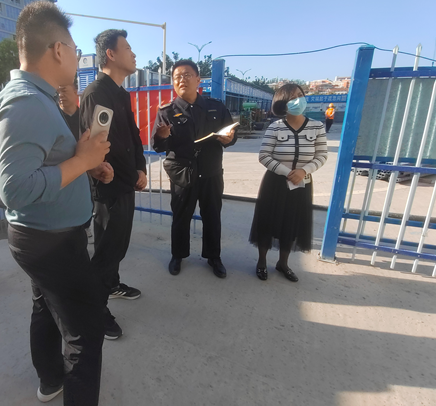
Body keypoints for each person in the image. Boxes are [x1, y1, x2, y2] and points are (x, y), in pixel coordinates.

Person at [0, 1, 112, 405]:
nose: (77, 58)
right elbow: (15, 188)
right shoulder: (26, 101)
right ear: (58, 50)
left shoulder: (38, 98)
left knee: (44, 306)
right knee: (85, 333)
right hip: (52, 242)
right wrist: (81, 161)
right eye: (75, 50)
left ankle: (50, 379)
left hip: (44, 236)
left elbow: (46, 162)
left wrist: (86, 165)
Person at [79, 29, 147, 341]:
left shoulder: (121, 93)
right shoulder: (96, 93)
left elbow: (132, 135)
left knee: (118, 246)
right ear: (111, 54)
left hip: (125, 183)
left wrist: (140, 167)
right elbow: (98, 146)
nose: (134, 54)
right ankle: (94, 309)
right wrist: (127, 173)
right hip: (108, 187)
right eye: (128, 48)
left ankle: (112, 285)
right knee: (107, 250)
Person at [152, 60, 237, 278]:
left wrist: (229, 139)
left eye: (187, 75)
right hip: (182, 174)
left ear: (198, 79)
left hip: (211, 173)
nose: (181, 80)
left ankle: (213, 257)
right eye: (177, 77)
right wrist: (161, 136)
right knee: (181, 217)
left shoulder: (216, 107)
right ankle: (178, 255)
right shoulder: (167, 112)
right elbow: (158, 146)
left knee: (212, 216)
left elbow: (230, 136)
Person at [249, 84, 328, 282]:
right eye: (292, 98)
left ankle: (283, 263)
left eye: (300, 95)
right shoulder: (275, 127)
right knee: (267, 222)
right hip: (275, 183)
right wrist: (287, 172)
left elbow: (322, 155)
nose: (298, 100)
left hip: (302, 183)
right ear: (282, 103)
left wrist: (303, 171)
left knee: (291, 224)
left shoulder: (317, 127)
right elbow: (264, 156)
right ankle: (261, 262)